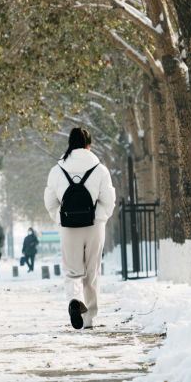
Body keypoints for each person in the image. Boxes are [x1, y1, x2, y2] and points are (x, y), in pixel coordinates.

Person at [44, 127, 115, 330]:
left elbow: (50, 201)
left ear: (68, 145)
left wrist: (61, 218)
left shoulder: (57, 170)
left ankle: (75, 300)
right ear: (89, 146)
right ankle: (89, 319)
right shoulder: (99, 169)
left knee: (72, 271)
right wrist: (98, 216)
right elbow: (109, 201)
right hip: (94, 226)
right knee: (92, 271)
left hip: (68, 226)